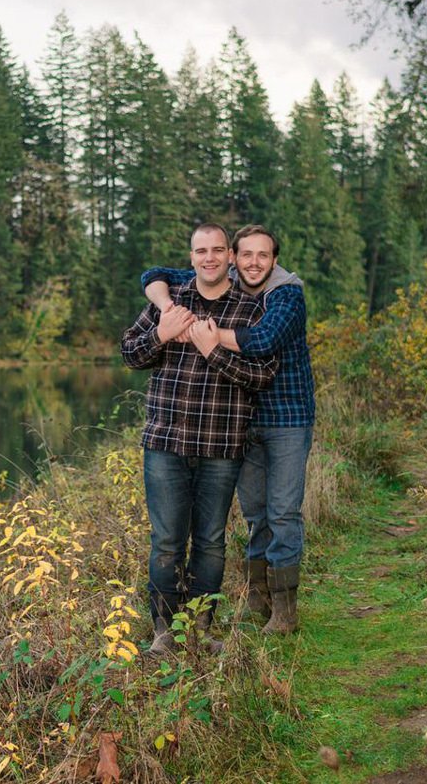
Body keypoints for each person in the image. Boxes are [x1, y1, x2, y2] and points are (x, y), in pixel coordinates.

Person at [141, 224, 315, 634]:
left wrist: (203, 334)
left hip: (287, 416)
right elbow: (153, 275)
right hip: (240, 421)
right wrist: (168, 310)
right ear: (235, 258)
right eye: (246, 255)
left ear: (274, 260)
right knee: (255, 514)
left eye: (264, 256)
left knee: (284, 513)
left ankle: (285, 612)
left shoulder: (286, 294)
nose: (254, 263)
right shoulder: (224, 273)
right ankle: (258, 597)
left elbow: (262, 341)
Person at [121, 223, 277, 654]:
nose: (209, 257)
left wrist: (213, 351)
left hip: (221, 446)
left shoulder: (250, 310)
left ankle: (201, 630)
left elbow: (262, 375)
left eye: (217, 250)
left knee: (210, 541)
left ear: (230, 256)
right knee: (167, 541)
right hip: (165, 444)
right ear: (190, 258)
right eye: (200, 250)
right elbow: (130, 352)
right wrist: (162, 334)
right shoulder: (170, 302)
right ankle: (164, 633)